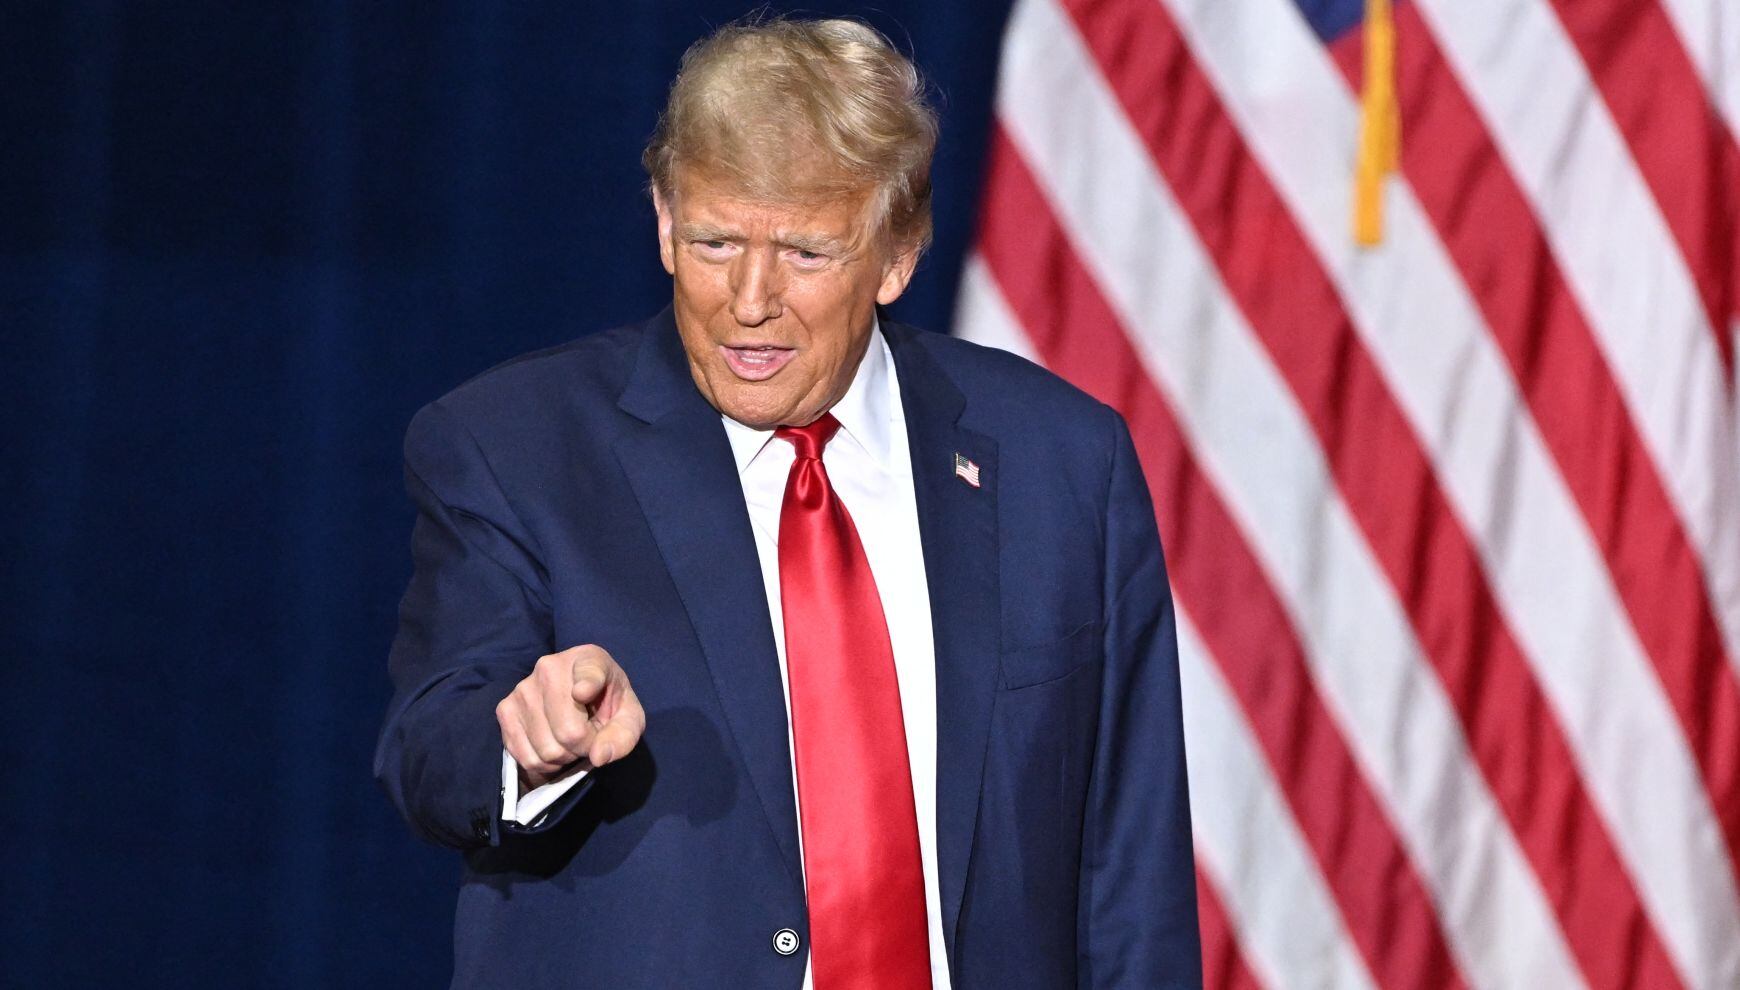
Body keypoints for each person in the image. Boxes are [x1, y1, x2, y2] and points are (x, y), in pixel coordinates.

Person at [376, 16, 1200, 989]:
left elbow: (1129, 870)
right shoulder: (515, 446)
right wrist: (530, 744)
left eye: (806, 253)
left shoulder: (1061, 462)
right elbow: (427, 751)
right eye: (715, 241)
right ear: (663, 222)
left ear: (897, 254)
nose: (749, 300)